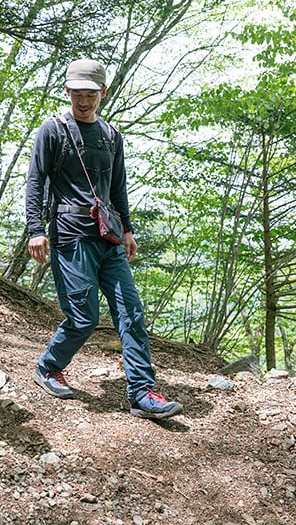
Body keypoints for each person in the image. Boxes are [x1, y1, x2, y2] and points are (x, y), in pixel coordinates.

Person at [25, 58, 183, 420]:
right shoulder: (53, 131)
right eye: (77, 93)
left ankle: (142, 392)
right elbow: (35, 182)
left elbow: (117, 188)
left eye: (90, 95)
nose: (83, 101)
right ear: (66, 92)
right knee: (83, 318)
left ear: (103, 93)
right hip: (70, 236)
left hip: (109, 238)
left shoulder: (112, 136)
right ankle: (49, 366)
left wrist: (127, 230)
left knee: (132, 313)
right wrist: (36, 229)